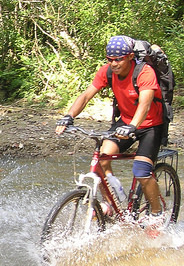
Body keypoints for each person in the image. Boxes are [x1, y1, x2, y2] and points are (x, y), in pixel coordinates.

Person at [55, 35, 165, 230]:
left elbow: (145, 103)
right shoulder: (106, 72)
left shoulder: (144, 72)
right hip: (125, 122)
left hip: (149, 125)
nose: (113, 64)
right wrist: (68, 116)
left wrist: (133, 126)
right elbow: (87, 95)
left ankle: (157, 214)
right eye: (110, 59)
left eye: (118, 59)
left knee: (141, 171)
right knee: (102, 159)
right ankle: (110, 203)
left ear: (130, 56)